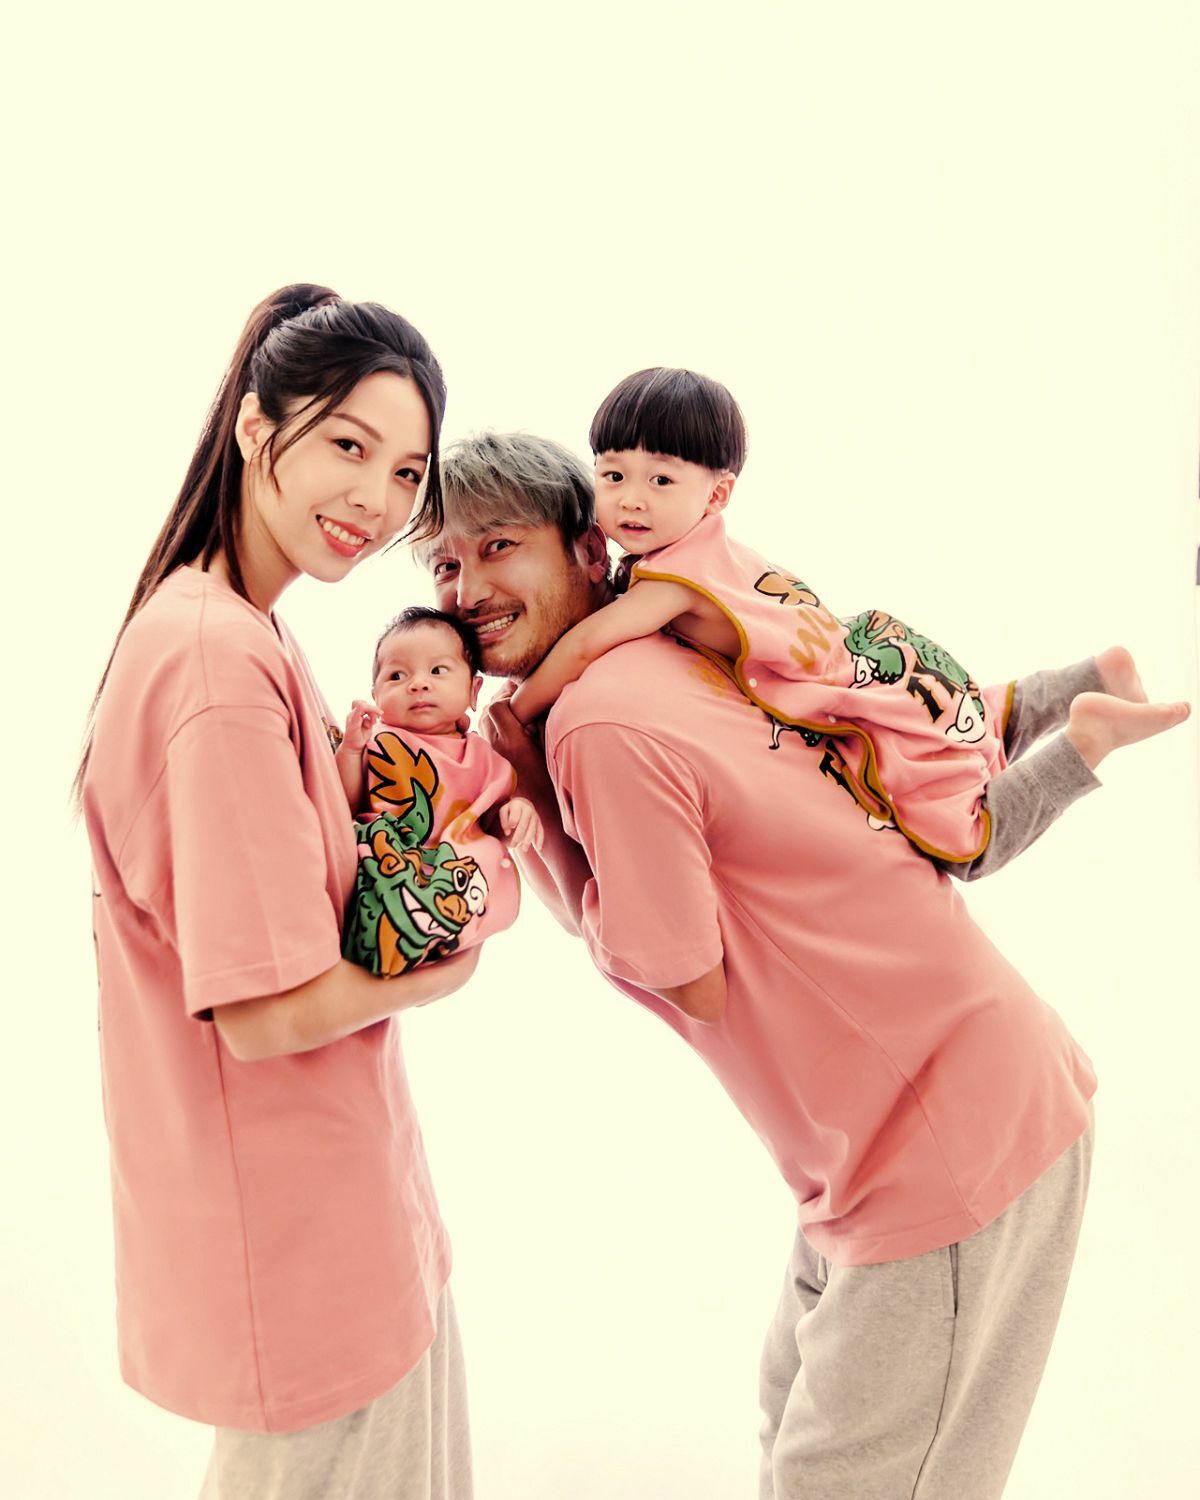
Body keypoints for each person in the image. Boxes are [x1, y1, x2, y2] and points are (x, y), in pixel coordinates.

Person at [418, 429, 1190, 1499]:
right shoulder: (663, 654)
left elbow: (681, 974)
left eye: (498, 546)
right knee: (799, 1443)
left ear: (590, 548)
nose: (466, 589)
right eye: (443, 563)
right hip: (882, 1145)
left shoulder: (599, 721)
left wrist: (540, 807)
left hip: (941, 1144)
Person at [78, 284, 476, 1500]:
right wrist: (445, 969)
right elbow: (264, 1012)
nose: (377, 499)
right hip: (308, 1285)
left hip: (351, 1241)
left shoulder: (246, 631)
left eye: (406, 473)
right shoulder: (215, 658)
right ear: (258, 427)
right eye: (349, 446)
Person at [509, 367, 1164, 865]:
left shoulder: (673, 581)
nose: (631, 499)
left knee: (970, 840)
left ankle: (1088, 739)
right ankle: (1093, 675)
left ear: (717, 494)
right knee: (974, 717)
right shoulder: (713, 550)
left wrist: (518, 712)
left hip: (863, 704)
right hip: (890, 665)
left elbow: (589, 643)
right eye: (613, 476)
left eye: (660, 481)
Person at [336, 606, 541, 976]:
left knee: (481, 866)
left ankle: (432, 933)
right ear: (376, 695)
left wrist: (514, 812)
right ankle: (392, 934)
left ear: (473, 690)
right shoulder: (377, 740)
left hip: (452, 867)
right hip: (388, 859)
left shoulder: (483, 758)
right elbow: (344, 804)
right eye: (397, 675)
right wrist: (351, 750)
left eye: (437, 670)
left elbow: (490, 826)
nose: (417, 684)